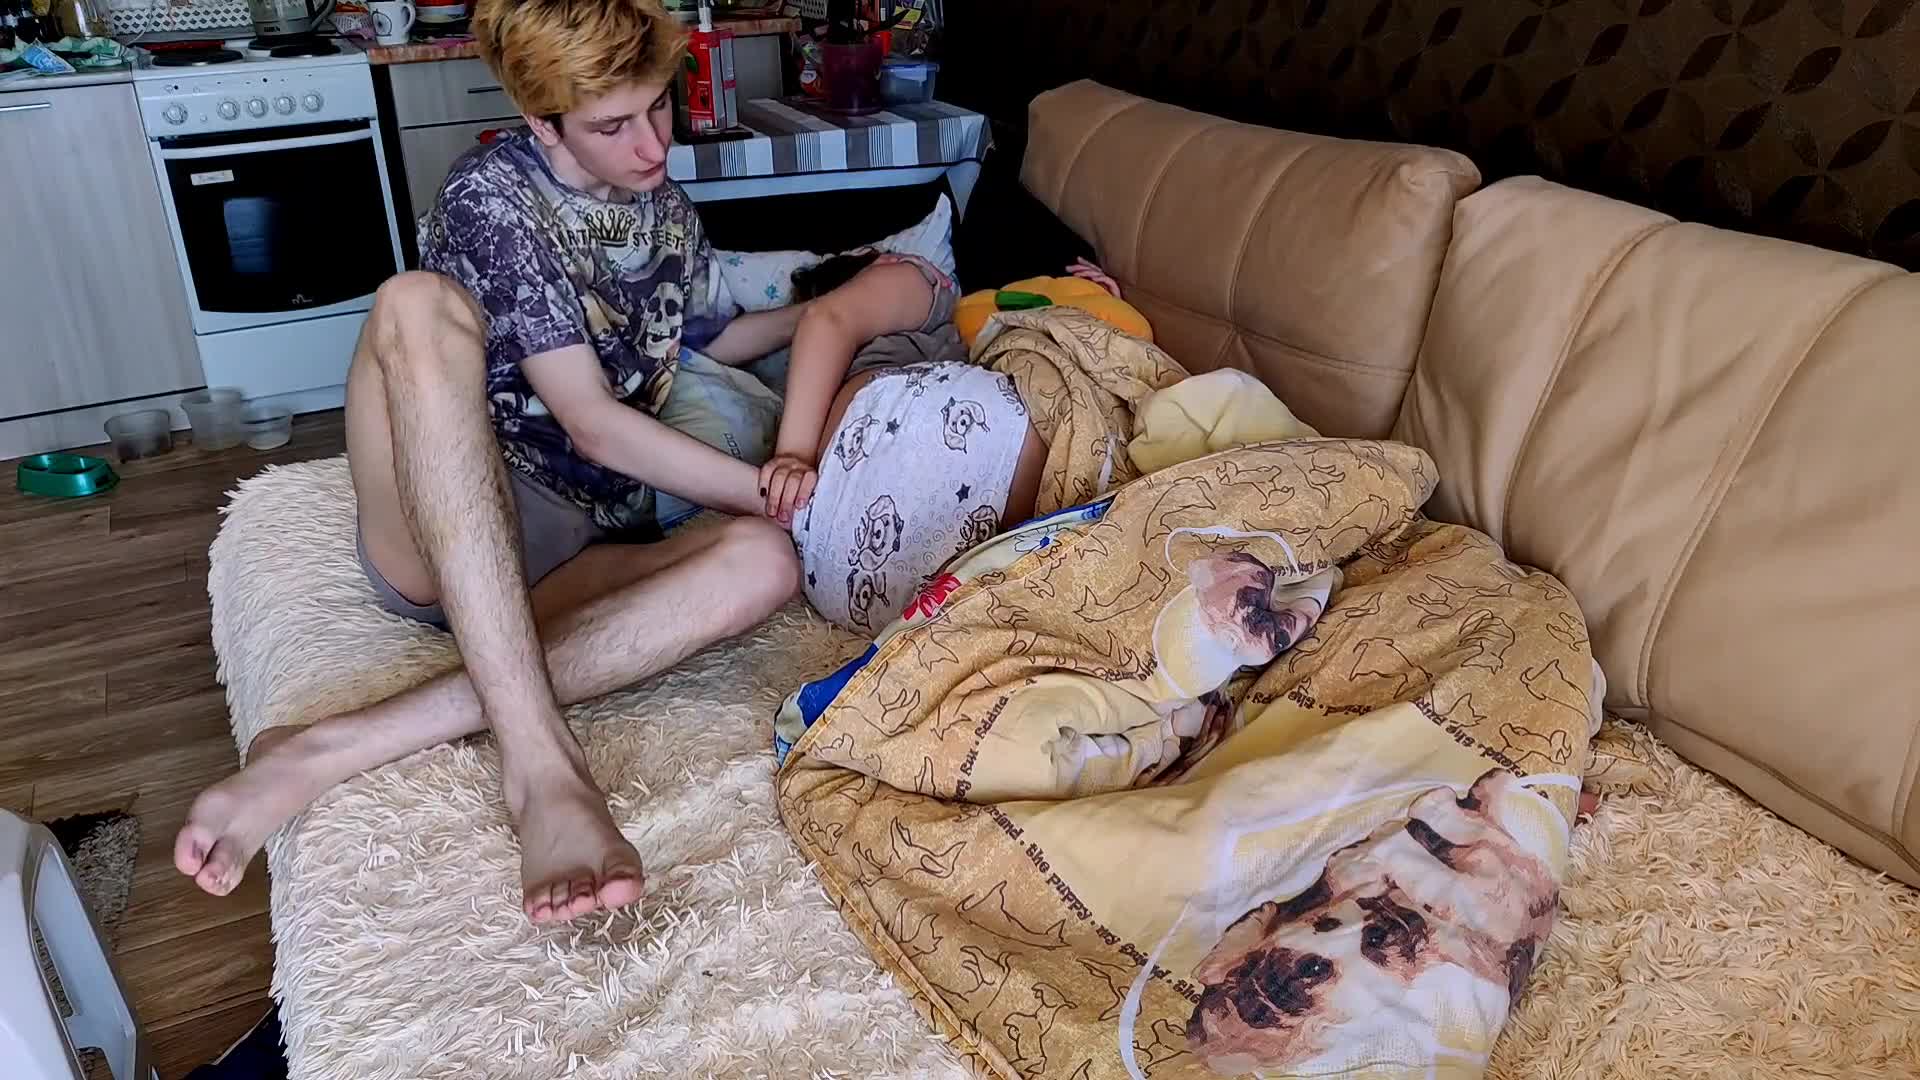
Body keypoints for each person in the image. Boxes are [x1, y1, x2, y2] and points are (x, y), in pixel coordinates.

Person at [173, 0, 811, 924]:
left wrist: (836, 305)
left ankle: (322, 749)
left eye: (658, 107)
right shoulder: (492, 198)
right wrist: (766, 488)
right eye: (612, 126)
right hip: (447, 517)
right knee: (413, 301)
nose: (652, 145)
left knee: (766, 561)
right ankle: (541, 770)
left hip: (576, 540)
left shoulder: (665, 210)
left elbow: (702, 339)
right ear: (542, 123)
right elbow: (593, 426)